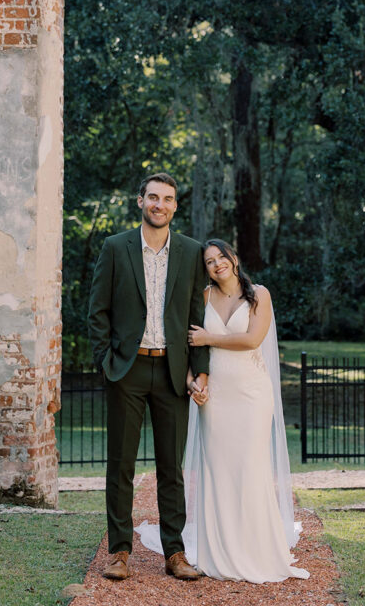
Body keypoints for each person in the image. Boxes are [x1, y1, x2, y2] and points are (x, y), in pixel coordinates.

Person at [137, 238, 309, 583]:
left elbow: (251, 339)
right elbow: (187, 348)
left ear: (234, 257)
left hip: (251, 394)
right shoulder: (203, 298)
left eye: (221, 256)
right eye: (209, 261)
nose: (217, 264)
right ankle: (219, 553)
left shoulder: (259, 294)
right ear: (206, 269)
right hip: (215, 396)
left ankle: (256, 551)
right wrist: (192, 382)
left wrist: (209, 338)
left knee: (249, 467)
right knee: (217, 471)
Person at [87, 172, 209, 582]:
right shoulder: (115, 247)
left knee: (171, 468)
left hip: (173, 372)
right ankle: (119, 551)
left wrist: (199, 369)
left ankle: (175, 552)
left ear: (176, 206)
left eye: (168, 199)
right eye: (153, 197)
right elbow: (97, 311)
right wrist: (106, 362)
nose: (160, 204)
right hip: (127, 369)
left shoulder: (191, 252)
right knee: (121, 464)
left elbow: (196, 317)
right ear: (140, 201)